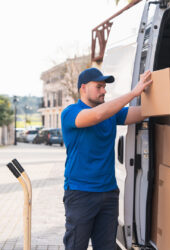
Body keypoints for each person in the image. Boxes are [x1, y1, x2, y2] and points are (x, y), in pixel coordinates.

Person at [61, 67, 152, 250]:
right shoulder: (71, 112)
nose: (104, 91)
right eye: (99, 86)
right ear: (84, 88)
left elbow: (145, 112)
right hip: (81, 194)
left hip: (109, 194)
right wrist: (133, 93)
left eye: (105, 87)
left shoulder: (111, 114)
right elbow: (96, 115)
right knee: (75, 246)